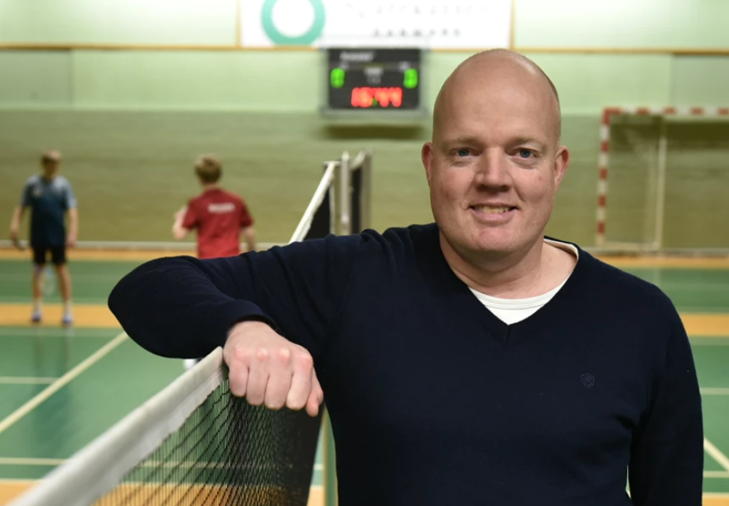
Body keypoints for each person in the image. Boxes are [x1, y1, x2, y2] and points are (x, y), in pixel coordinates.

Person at [108, 50, 703, 505]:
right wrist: (242, 323)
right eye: (465, 151)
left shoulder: (643, 320)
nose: (494, 177)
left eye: (523, 152)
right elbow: (147, 288)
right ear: (430, 163)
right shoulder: (353, 279)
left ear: (557, 168)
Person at [10, 150, 78, 325]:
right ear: (44, 164)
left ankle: (67, 309)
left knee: (61, 269)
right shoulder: (32, 184)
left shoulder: (63, 185)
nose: (54, 166)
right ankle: (37, 308)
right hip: (38, 234)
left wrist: (72, 233)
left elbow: (72, 211)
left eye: (56, 162)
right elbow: (21, 207)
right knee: (38, 269)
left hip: (57, 235)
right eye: (50, 162)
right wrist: (15, 226)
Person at [172, 154, 256, 259]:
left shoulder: (197, 203)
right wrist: (252, 256)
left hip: (208, 262)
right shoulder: (236, 201)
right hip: (232, 261)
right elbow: (249, 233)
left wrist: (179, 218)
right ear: (219, 174)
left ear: (200, 178)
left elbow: (179, 234)